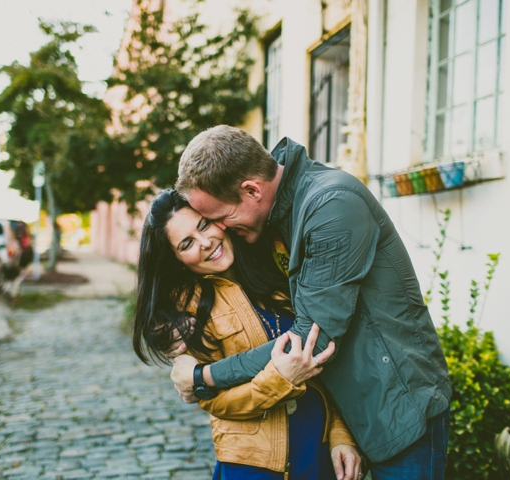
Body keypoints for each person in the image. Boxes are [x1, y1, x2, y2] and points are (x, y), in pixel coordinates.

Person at [169, 126, 452, 479]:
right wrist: (178, 318)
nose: (221, 229)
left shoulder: (331, 206)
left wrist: (204, 376)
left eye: (220, 217)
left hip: (397, 413)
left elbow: (310, 338)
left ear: (252, 189)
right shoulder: (275, 215)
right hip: (353, 415)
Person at [133, 189, 362, 480]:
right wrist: (280, 380)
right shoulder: (187, 311)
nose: (205, 243)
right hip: (255, 465)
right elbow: (215, 402)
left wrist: (341, 435)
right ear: (177, 260)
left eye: (204, 225)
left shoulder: (276, 270)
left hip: (318, 451)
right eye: (187, 243)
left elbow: (329, 368)